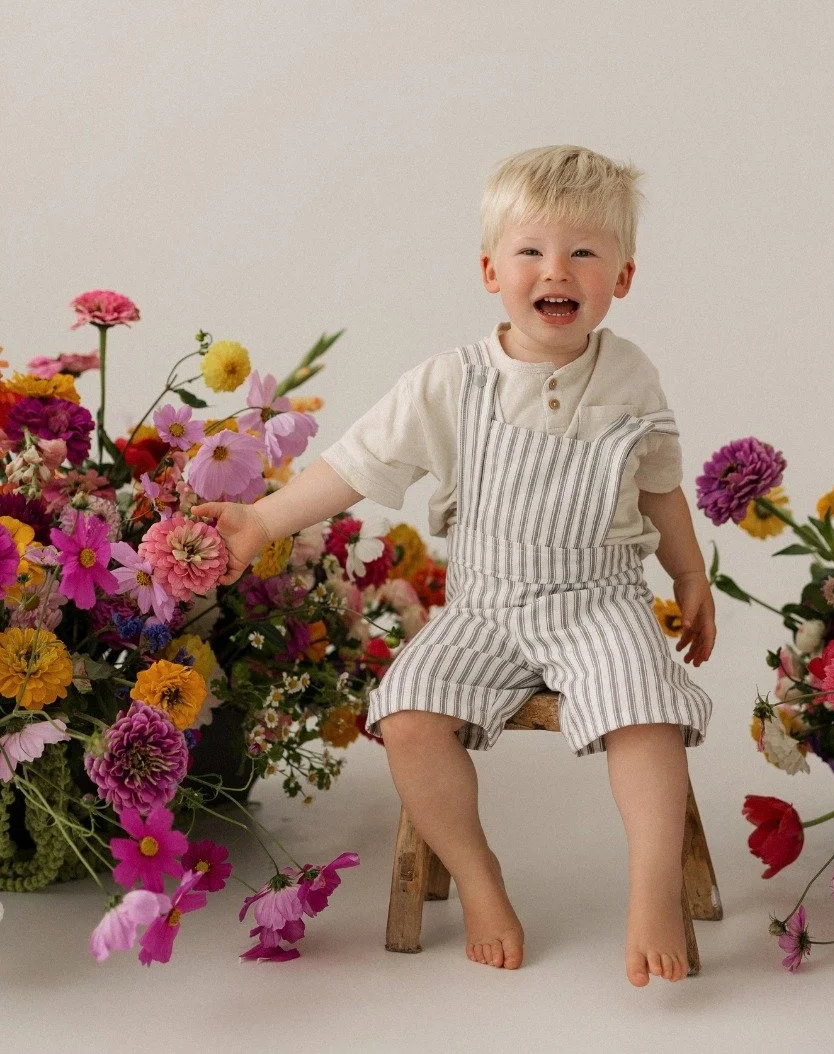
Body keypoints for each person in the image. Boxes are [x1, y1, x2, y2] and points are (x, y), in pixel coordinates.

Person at [192, 145, 715, 987]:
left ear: (622, 277)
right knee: (406, 714)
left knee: (646, 711)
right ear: (489, 270)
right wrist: (260, 518)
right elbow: (356, 466)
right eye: (532, 252)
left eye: (584, 252)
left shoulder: (629, 375)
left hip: (601, 603)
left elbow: (660, 489)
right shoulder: (452, 383)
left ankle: (652, 889)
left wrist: (689, 578)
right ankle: (478, 876)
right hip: (486, 608)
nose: (558, 271)